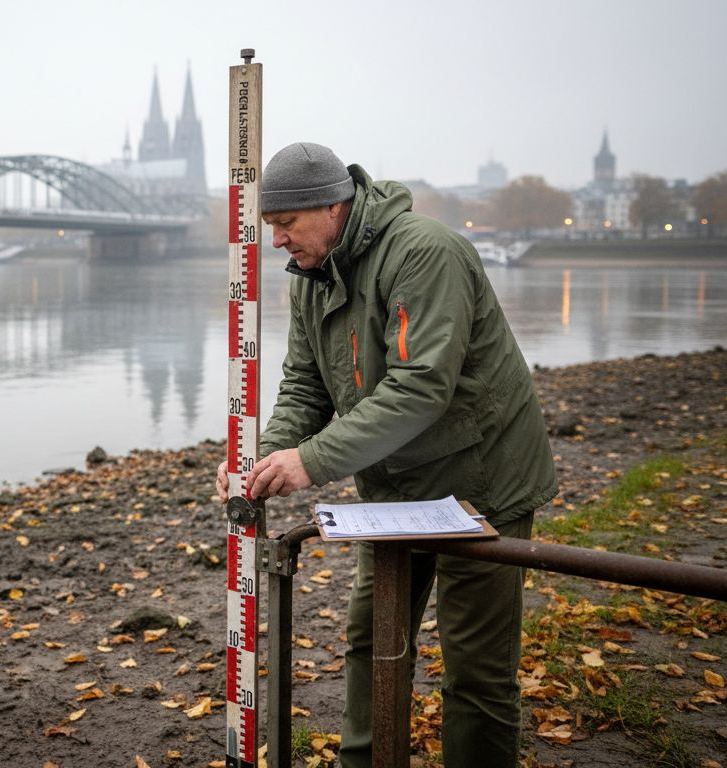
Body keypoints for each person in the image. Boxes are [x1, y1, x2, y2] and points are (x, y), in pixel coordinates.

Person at [215, 142, 557, 768]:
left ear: (332, 207)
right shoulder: (312, 280)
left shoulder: (425, 252)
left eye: (286, 225)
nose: (278, 242)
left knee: (476, 671)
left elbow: (422, 384)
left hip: (484, 483)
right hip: (397, 492)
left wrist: (311, 462)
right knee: (372, 642)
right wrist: (265, 455)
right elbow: (304, 386)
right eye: (270, 229)